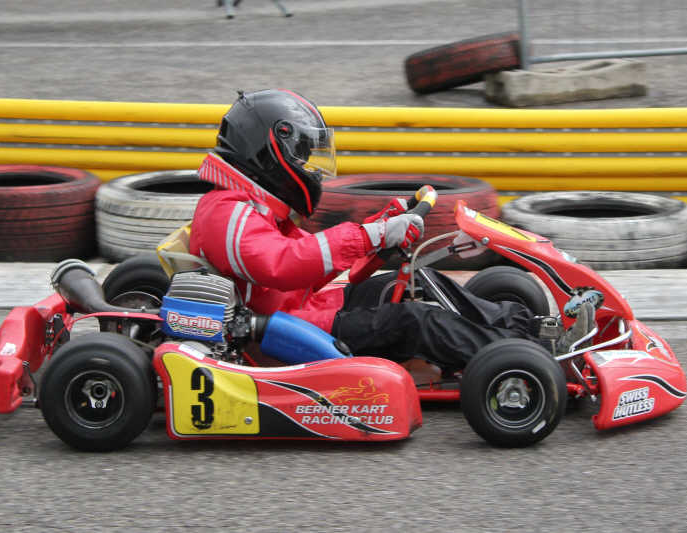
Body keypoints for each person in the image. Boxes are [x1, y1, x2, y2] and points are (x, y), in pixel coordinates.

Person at [189, 89, 591, 371]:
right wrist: (373, 236)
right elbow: (283, 265)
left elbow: (313, 267)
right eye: (301, 156)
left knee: (421, 282)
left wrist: (381, 230)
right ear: (269, 150)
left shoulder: (255, 208)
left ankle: (532, 330)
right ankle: (529, 360)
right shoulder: (226, 212)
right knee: (413, 319)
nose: (308, 168)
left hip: (307, 309)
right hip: (283, 333)